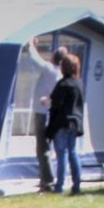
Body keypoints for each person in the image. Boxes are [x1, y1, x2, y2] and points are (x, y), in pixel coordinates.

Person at [46, 50, 85, 195]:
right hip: (75, 123)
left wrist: (47, 102)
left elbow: (56, 105)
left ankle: (59, 186)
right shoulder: (79, 84)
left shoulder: (62, 85)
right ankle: (76, 186)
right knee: (73, 153)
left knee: (61, 154)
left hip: (61, 123)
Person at [27, 41, 61, 193]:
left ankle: (47, 181)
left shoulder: (50, 69)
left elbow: (35, 59)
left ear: (54, 57)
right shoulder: (58, 73)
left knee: (43, 147)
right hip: (48, 112)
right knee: (44, 147)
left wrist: (31, 43)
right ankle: (45, 178)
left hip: (43, 113)